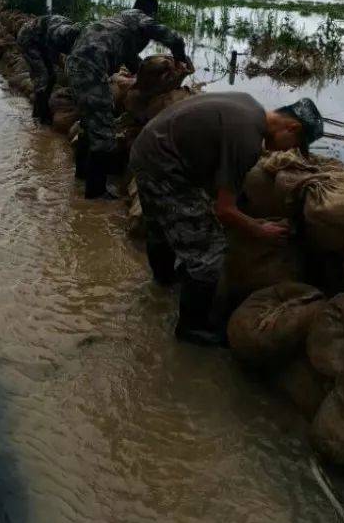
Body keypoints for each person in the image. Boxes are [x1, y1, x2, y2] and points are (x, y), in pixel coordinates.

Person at [129, 93, 324, 346]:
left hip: (148, 151)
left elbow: (217, 168)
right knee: (209, 250)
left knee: (162, 223)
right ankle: (192, 327)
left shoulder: (250, 106)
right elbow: (224, 210)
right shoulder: (247, 140)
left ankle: (163, 279)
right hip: (165, 168)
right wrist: (259, 229)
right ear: (292, 127)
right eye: (295, 144)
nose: (289, 150)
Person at [66, 0, 193, 199]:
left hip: (76, 65)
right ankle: (95, 193)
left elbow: (132, 61)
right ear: (150, 12)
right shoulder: (140, 18)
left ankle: (82, 175)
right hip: (91, 69)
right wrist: (179, 60)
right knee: (105, 135)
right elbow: (174, 38)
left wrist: (143, 78)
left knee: (90, 124)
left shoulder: (121, 23)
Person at [17, 14, 82, 124]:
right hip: (28, 40)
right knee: (42, 78)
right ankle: (40, 116)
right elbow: (58, 59)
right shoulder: (57, 33)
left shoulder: (70, 30)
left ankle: (40, 109)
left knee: (52, 77)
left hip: (41, 41)